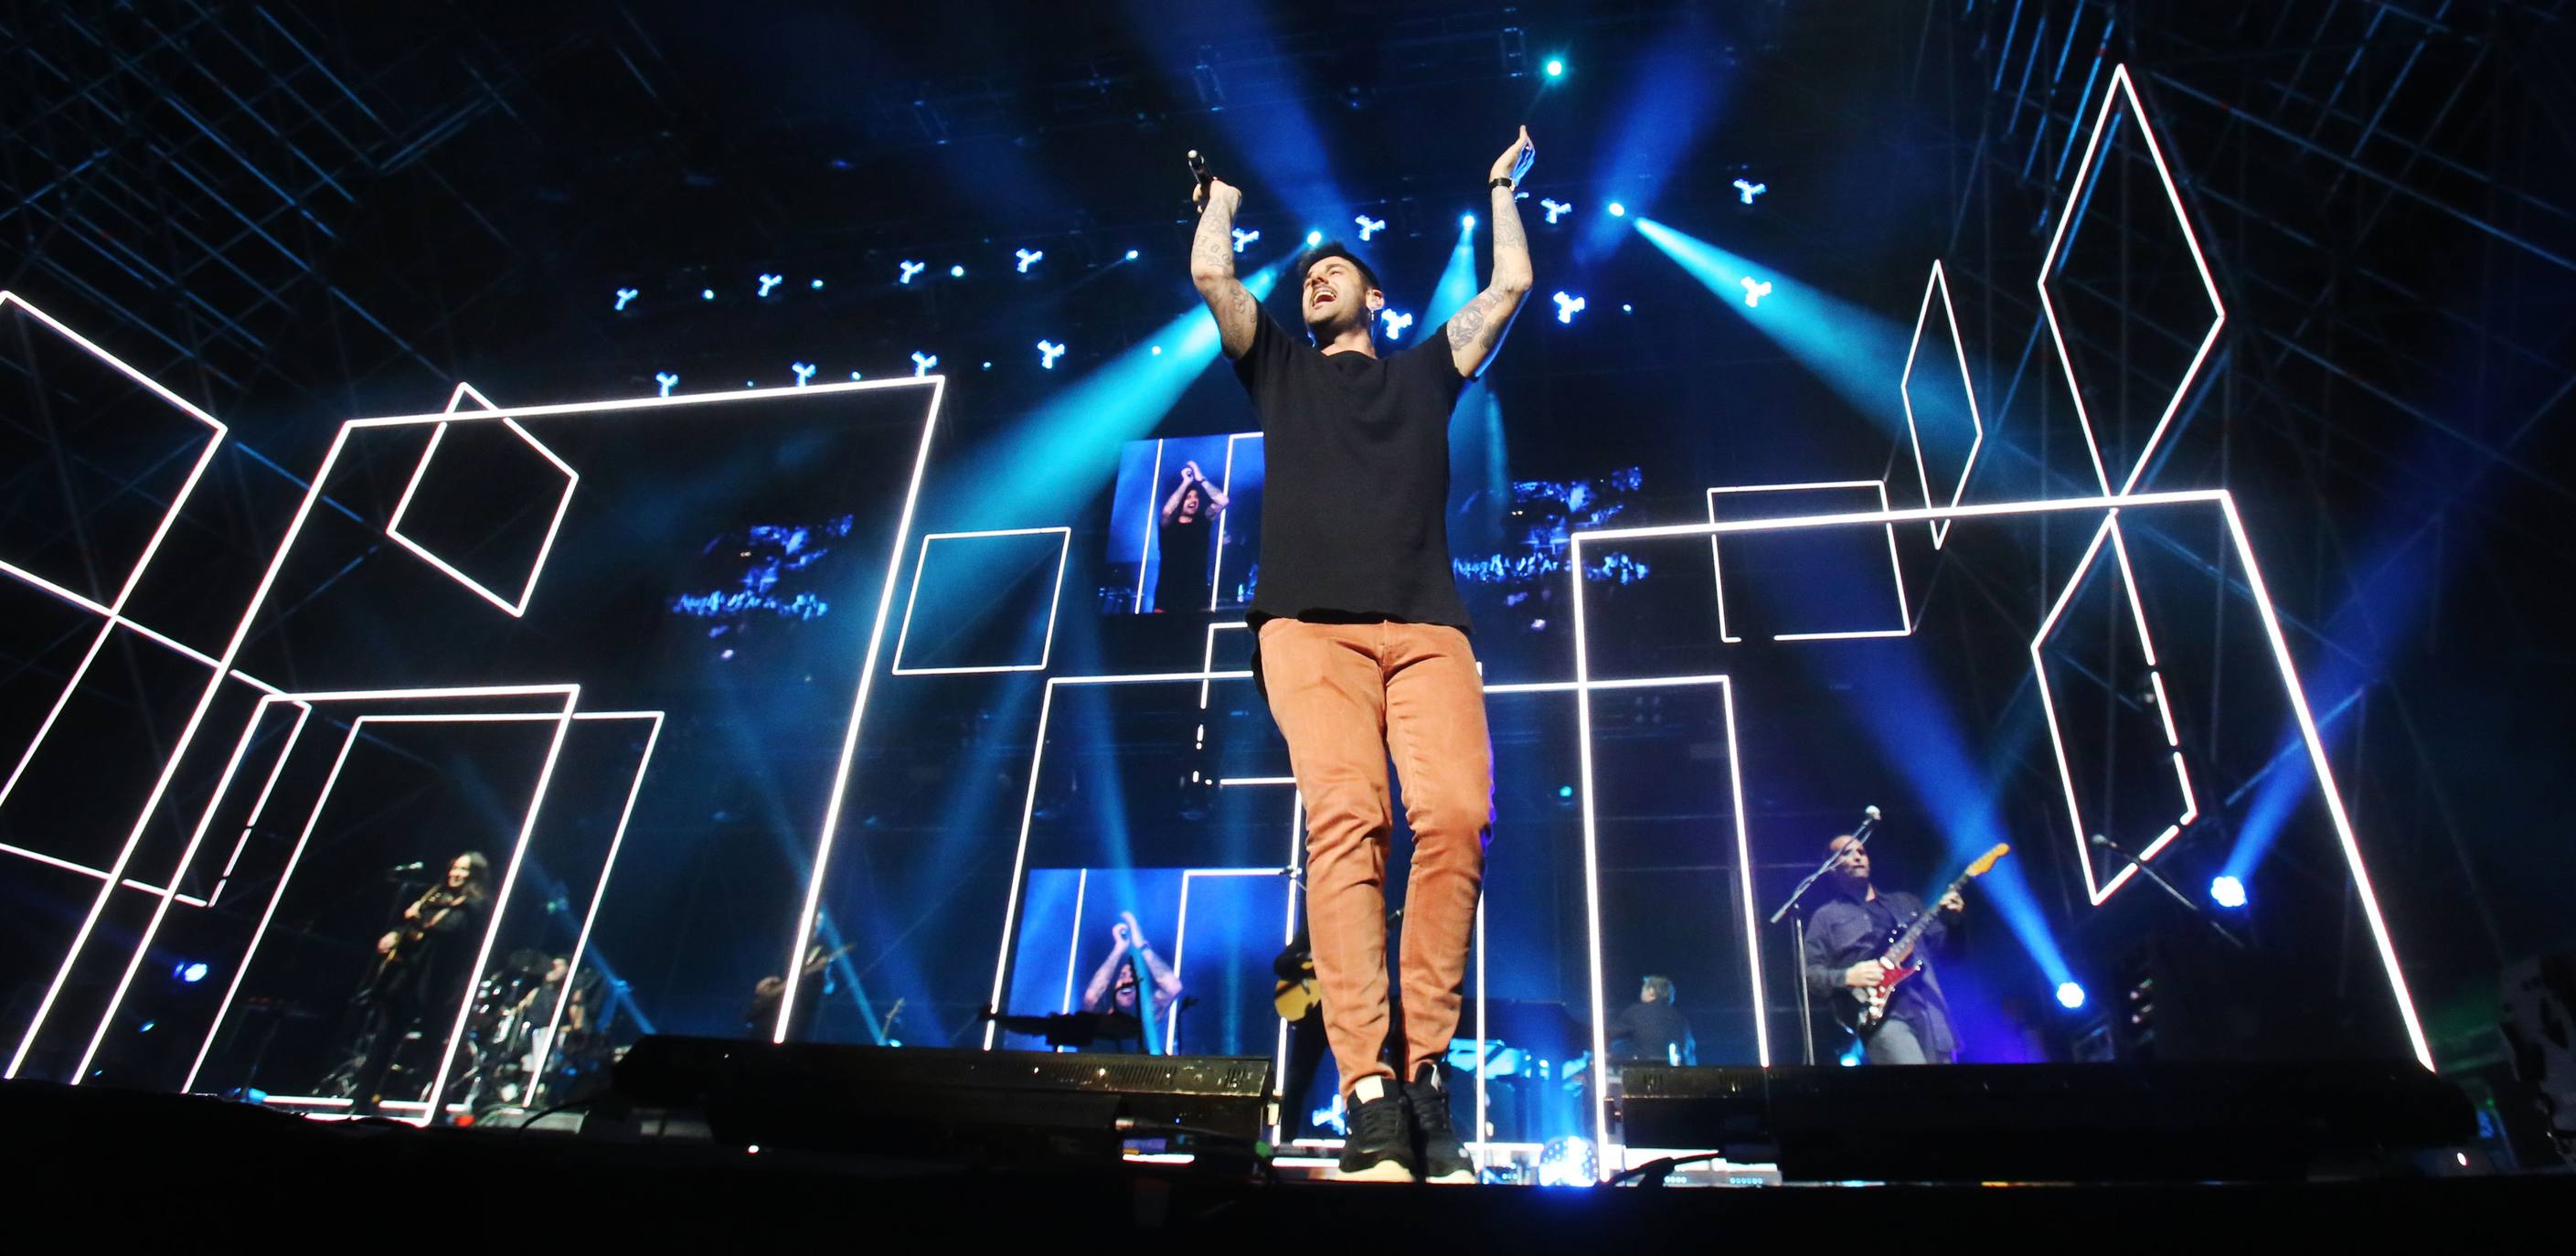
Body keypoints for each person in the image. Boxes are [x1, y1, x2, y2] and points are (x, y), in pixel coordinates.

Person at [1189, 125, 1537, 1183]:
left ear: (1377, 297)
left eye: (1337, 270)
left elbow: (1511, 281)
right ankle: (1368, 1091)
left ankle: (1426, 1069)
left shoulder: (1431, 372)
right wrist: (1224, 200)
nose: (1317, 280)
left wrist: (1497, 183)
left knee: (1454, 821)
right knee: (1351, 819)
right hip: (1307, 628)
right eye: (1308, 276)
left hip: (1427, 627)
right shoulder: (1278, 370)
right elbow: (1211, 270)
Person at [1803, 835, 1965, 1065]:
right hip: (1882, 1017)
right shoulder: (1826, 917)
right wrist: (1847, 976)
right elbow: (1810, 976)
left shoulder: (1905, 904)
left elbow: (1950, 955)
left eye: (1861, 852)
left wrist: (1955, 922)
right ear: (1831, 867)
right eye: (1847, 853)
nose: (1858, 857)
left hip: (1929, 1010)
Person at [347, 851, 492, 1112]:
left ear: (474, 875)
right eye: (454, 868)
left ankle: (437, 1107)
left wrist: (419, 920)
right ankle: (360, 1103)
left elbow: (452, 930)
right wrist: (394, 934)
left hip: (439, 986)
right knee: (383, 1043)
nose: (456, 874)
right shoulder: (433, 896)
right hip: (407, 979)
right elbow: (411, 931)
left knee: (431, 1049)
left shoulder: (474, 905)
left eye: (463, 870)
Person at [1080, 911, 1184, 1048]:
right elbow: (1091, 997)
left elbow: (1173, 988)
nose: (1129, 981)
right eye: (1122, 976)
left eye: (1133, 977)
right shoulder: (1100, 1014)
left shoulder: (1145, 1016)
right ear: (1111, 985)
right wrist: (1119, 949)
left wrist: (1142, 947)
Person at [1152, 462, 1229, 612]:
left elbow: (1223, 501)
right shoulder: (1169, 525)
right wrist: (1185, 483)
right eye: (1188, 497)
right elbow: (1167, 511)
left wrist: (1200, 479)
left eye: (1195, 497)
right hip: (1168, 594)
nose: (1193, 500)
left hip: (1196, 595)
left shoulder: (1202, 521)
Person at [1609, 975, 1697, 1066]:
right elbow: (1690, 1052)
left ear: (1651, 991)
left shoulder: (1636, 1012)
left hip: (1643, 1072)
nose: (1641, 992)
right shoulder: (1681, 1019)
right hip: (1675, 1075)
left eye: (1643, 988)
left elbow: (1611, 1033)